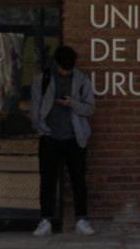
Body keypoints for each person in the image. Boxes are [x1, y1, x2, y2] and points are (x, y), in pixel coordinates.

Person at [31, 45, 97, 237]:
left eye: (69, 69)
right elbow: (35, 106)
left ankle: (82, 219)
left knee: (78, 181)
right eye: (63, 69)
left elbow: (90, 109)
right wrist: (40, 129)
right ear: (56, 64)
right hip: (50, 137)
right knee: (47, 181)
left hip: (75, 138)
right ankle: (45, 220)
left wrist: (72, 103)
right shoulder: (42, 79)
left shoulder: (81, 80)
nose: (66, 72)